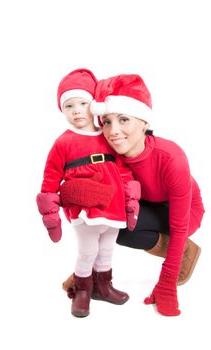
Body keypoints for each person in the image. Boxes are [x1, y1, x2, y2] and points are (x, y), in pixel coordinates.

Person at [87, 73, 205, 316]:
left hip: (182, 213)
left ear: (144, 123)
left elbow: (180, 224)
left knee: (120, 223)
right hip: (144, 205)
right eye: (107, 122)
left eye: (123, 120)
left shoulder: (171, 157)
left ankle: (185, 251)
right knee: (108, 219)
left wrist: (167, 283)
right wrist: (83, 273)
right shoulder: (110, 153)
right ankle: (94, 276)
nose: (113, 130)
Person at [36, 69, 141, 317]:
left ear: (93, 105)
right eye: (69, 106)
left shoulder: (107, 135)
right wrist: (50, 216)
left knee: (107, 247)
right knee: (88, 250)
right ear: (62, 111)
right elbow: (50, 177)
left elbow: (122, 169)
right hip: (83, 204)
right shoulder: (64, 142)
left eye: (83, 103)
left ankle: (103, 286)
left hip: (112, 203)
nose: (76, 111)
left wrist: (130, 199)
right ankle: (82, 290)